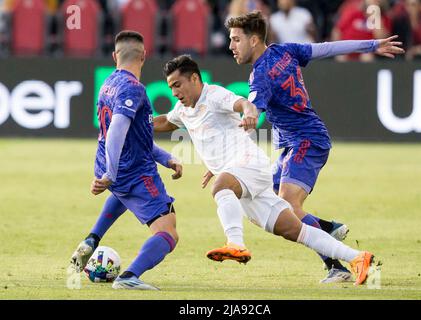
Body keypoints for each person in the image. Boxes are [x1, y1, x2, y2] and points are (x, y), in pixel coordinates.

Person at [153, 54, 377, 286]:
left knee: (220, 186)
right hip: (240, 175)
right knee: (294, 230)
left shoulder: (214, 95)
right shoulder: (183, 109)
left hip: (248, 164)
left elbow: (241, 103)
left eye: (177, 85)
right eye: (170, 87)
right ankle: (358, 258)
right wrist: (138, 122)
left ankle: (235, 244)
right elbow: (166, 122)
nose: (174, 92)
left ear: (194, 79)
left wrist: (250, 112)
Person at [225, 10, 404, 283]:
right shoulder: (284, 51)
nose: (230, 46)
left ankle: (337, 266)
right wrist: (371, 45)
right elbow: (328, 48)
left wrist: (247, 117)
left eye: (236, 39)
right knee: (262, 206)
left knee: (287, 206)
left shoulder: (260, 75)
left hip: (306, 141)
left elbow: (254, 110)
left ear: (253, 40)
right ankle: (327, 228)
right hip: (295, 144)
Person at [70, 30, 182, 290]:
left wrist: (166, 158)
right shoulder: (135, 89)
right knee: (168, 231)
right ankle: (129, 276)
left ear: (114, 56)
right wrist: (110, 173)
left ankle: (92, 239)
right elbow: (117, 132)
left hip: (113, 167)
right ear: (144, 55)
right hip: (132, 171)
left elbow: (136, 137)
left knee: (122, 192)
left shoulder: (108, 82)